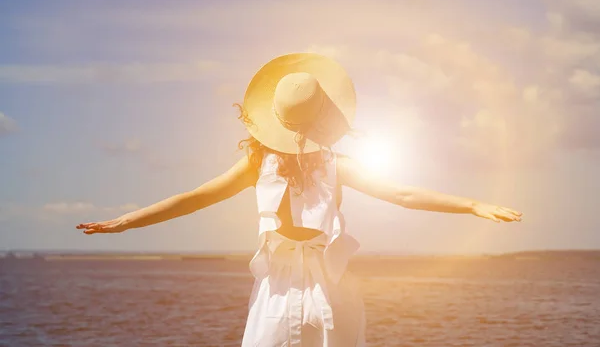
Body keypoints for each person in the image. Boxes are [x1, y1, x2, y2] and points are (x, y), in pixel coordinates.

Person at [76, 53, 523, 346]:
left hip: (329, 282)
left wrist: (472, 205)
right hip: (278, 283)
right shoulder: (257, 166)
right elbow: (192, 199)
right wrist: (124, 223)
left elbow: (403, 193)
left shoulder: (336, 165)